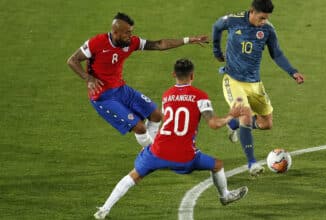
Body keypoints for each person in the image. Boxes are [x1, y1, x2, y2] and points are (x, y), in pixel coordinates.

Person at [93, 58, 248, 219]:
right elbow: (214, 124)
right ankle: (225, 196)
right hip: (185, 156)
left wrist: (149, 148)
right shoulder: (200, 96)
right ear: (192, 76)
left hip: (157, 150)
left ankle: (104, 209)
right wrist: (231, 115)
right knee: (217, 165)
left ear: (174, 74)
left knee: (134, 175)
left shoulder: (167, 94)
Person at [67, 12, 208, 148]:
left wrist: (189, 40)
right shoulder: (96, 43)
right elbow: (72, 60)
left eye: (131, 31)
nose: (131, 36)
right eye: (127, 32)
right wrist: (89, 78)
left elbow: (159, 44)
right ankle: (155, 153)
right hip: (102, 97)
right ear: (116, 32)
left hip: (121, 89)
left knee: (156, 115)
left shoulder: (131, 43)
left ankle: (151, 150)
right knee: (140, 128)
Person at [212, 0, 305, 176]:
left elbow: (276, 53)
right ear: (252, 12)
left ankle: (233, 123)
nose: (264, 21)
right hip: (233, 80)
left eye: (267, 18)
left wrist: (292, 72)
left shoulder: (268, 30)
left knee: (266, 123)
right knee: (245, 114)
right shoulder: (233, 20)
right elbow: (216, 26)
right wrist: (216, 51)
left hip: (255, 84)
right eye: (261, 18)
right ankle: (252, 163)